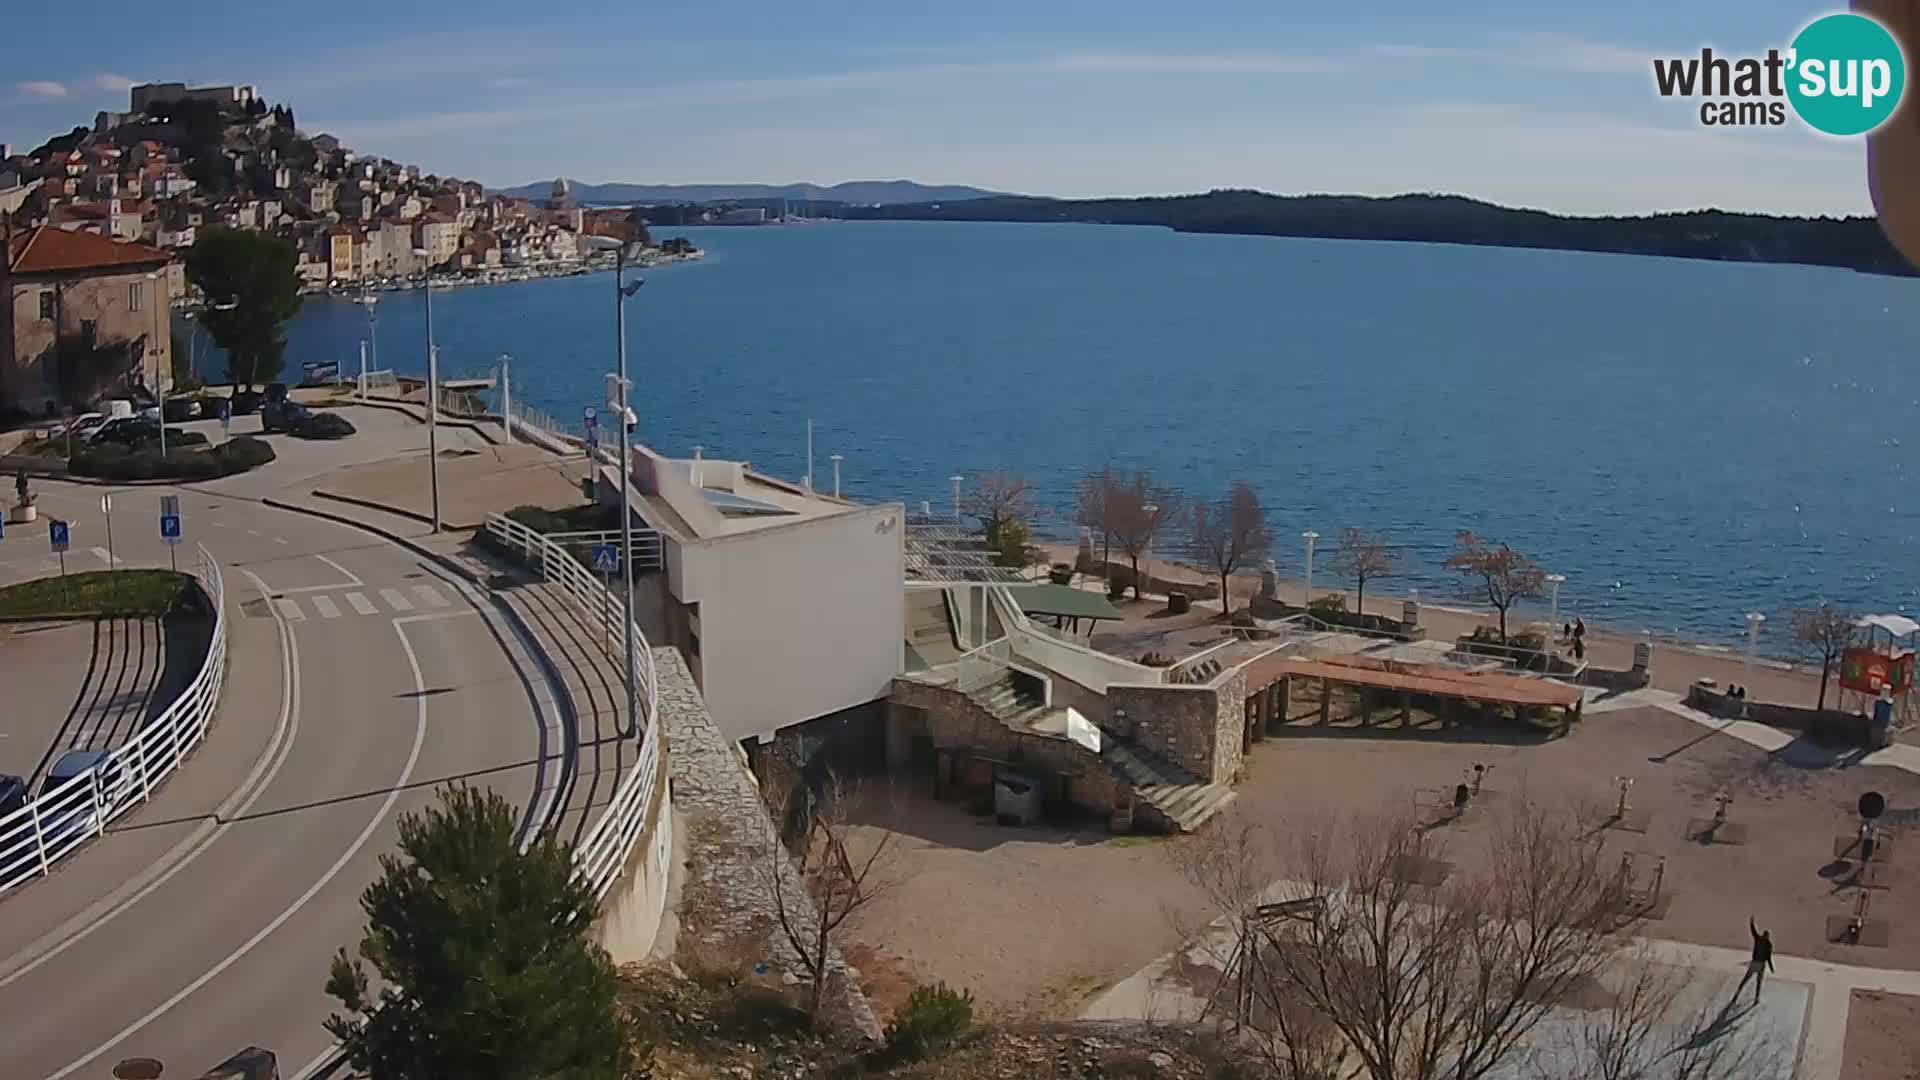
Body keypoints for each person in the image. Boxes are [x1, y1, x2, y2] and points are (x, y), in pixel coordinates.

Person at [1736, 917, 1774, 1002]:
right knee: (1759, 982)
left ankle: (1737, 993)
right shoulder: (1769, 944)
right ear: (1768, 936)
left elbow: (1753, 931)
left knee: (1746, 979)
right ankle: (1756, 998)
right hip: (1761, 965)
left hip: (1754, 963)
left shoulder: (1758, 939)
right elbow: (1768, 957)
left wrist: (1751, 923)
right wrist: (1771, 968)